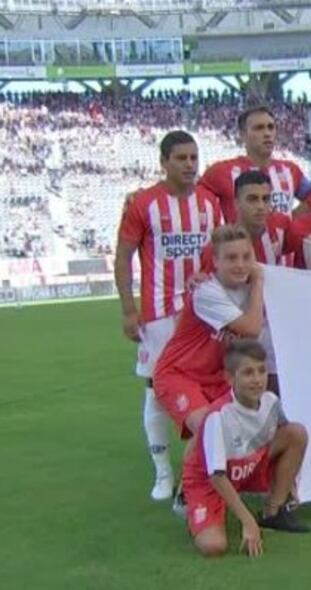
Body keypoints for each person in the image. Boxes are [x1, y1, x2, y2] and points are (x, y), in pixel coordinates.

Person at [114, 130, 221, 501]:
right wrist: (129, 309)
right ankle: (162, 473)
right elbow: (124, 256)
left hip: (202, 313)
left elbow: (217, 254)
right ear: (164, 162)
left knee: (209, 384)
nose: (190, 164)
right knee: (156, 390)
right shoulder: (144, 204)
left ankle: (206, 467)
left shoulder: (209, 203)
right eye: (181, 158)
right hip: (158, 314)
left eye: (194, 157)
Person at [183, 339, 311, 558]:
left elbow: (285, 434)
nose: (257, 380)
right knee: (213, 547)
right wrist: (248, 520)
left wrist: (291, 485)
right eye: (248, 373)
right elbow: (216, 476)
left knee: (296, 432)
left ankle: (274, 511)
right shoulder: (219, 416)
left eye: (262, 371)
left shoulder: (271, 401)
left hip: (247, 465)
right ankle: (192, 505)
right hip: (211, 480)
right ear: (230, 378)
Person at [154, 224, 266, 442]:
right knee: (211, 432)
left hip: (218, 378)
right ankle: (179, 476)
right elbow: (252, 329)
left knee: (238, 438)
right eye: (232, 258)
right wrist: (259, 281)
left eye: (246, 257)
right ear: (215, 261)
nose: (241, 265)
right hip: (180, 374)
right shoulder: (207, 292)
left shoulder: (248, 288)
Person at [200, 171, 290, 392]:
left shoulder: (283, 227)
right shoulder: (220, 245)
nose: (261, 206)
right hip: (240, 333)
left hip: (276, 329)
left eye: (266, 199)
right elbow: (208, 282)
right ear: (236, 202)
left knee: (278, 396)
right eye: (252, 199)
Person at [199, 105, 311, 223]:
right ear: (243, 135)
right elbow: (192, 202)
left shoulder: (290, 170)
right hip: (242, 240)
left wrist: (290, 221)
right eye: (259, 128)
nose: (267, 133)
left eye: (271, 127)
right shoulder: (221, 171)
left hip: (283, 241)